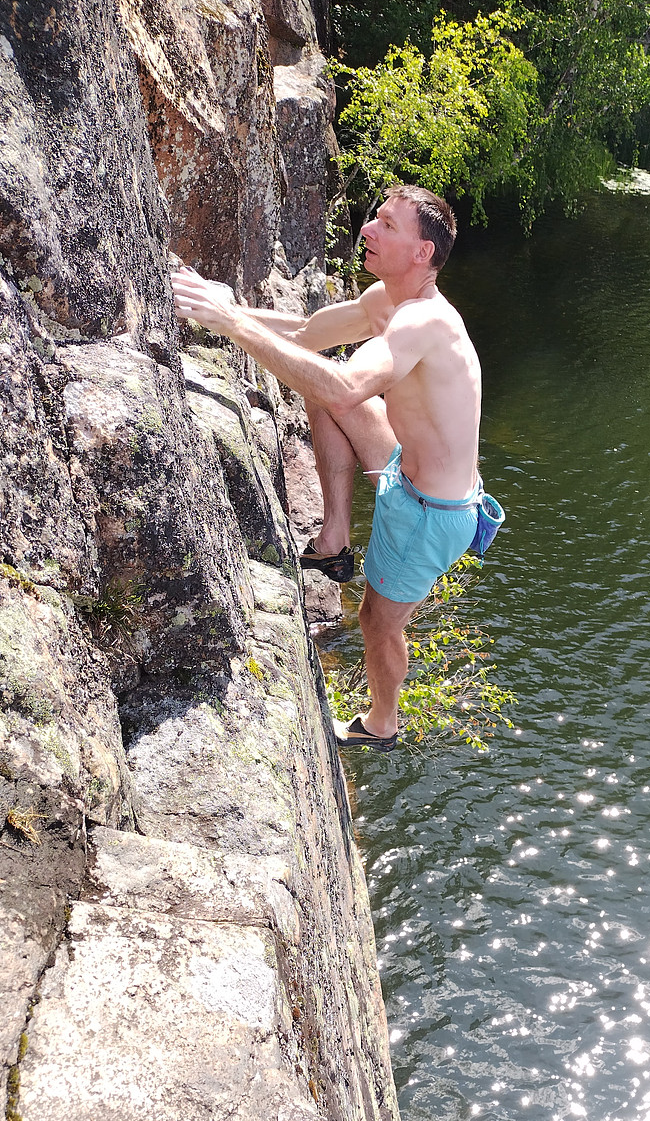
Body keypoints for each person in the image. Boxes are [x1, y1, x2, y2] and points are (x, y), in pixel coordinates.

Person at [171, 184, 482, 752]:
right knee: (317, 378)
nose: (368, 229)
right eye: (375, 218)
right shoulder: (385, 300)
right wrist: (223, 308)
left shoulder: (426, 322)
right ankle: (334, 539)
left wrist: (233, 325)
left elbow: (346, 388)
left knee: (377, 621)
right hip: (403, 468)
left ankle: (382, 724)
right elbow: (306, 335)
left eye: (387, 225)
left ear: (422, 254)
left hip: (430, 513)